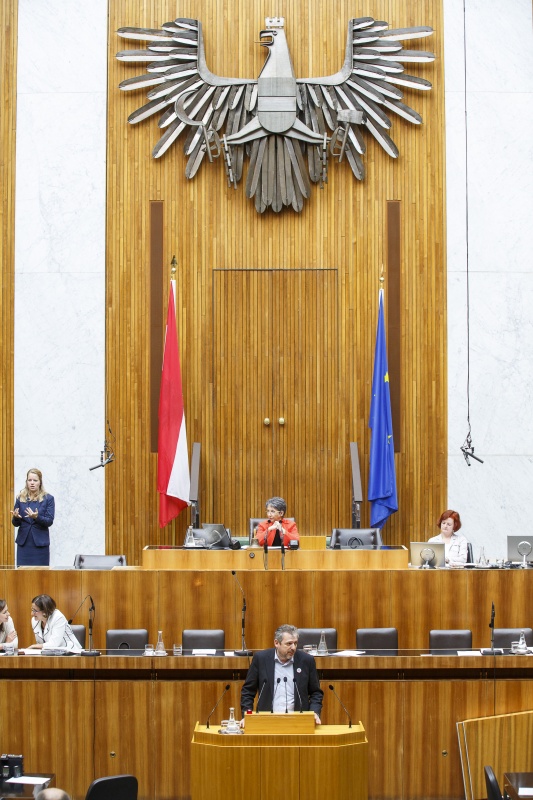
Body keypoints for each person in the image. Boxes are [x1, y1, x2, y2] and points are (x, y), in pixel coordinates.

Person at [240, 624, 323, 723]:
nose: (293, 648)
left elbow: (316, 692)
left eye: (295, 643)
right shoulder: (261, 659)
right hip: (267, 720)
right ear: (276, 643)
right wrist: (247, 715)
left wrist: (314, 712)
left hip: (298, 721)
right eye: (289, 644)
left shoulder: (306, 660)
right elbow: (248, 691)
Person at [11, 468, 55, 566]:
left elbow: (49, 521)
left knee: (41, 576)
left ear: (40, 482)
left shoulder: (48, 499)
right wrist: (16, 517)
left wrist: (37, 517)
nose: (32, 483)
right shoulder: (20, 498)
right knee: (22, 576)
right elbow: (15, 523)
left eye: (35, 480)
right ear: (26, 482)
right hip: (24, 544)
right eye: (29, 480)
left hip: (40, 544)